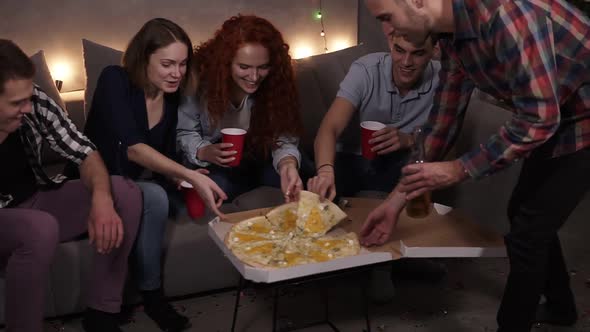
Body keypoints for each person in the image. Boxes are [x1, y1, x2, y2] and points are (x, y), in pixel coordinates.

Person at [361, 1, 590, 331]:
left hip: (579, 119)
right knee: (524, 216)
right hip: (558, 117)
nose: (388, 31)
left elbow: (539, 118)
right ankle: (561, 308)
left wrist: (457, 169)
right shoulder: (452, 37)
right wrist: (396, 200)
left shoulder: (508, 15)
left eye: (386, 17)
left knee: (527, 233)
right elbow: (443, 121)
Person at [78, 18, 226, 332]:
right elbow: (132, 147)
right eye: (168, 64)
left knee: (161, 193)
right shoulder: (114, 79)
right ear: (143, 58)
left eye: (183, 64)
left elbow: (165, 156)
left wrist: (185, 177)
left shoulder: (170, 99)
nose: (177, 73)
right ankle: (144, 298)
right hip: (94, 182)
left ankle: (152, 296)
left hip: (133, 184)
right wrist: (188, 174)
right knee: (155, 195)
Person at [0, 39, 142, 332]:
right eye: (17, 103)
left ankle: (101, 314)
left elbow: (85, 151)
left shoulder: (34, 101)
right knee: (39, 228)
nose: (28, 107)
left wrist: (102, 200)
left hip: (36, 198)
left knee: (124, 192)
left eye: (28, 97)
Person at [177, 15, 304, 202]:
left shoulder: (276, 85)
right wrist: (202, 151)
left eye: (263, 67)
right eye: (244, 67)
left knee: (297, 178)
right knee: (215, 186)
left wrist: (288, 164)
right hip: (216, 163)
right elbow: (185, 131)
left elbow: (284, 137)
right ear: (226, 63)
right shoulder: (199, 82)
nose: (254, 77)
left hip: (261, 156)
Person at [307, 33, 440, 201]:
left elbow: (445, 142)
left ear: (434, 51)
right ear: (391, 42)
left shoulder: (443, 79)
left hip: (401, 164)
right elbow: (329, 128)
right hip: (351, 159)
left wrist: (409, 139)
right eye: (399, 50)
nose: (406, 62)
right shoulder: (366, 69)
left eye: (418, 54)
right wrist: (325, 172)